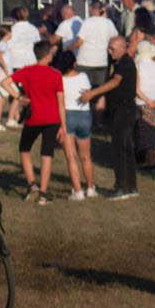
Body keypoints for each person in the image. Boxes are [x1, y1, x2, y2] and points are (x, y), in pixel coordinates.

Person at [81, 36, 140, 200]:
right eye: (108, 48)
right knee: (126, 148)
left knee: (120, 148)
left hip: (124, 109)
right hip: (119, 108)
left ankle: (121, 187)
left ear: (122, 48)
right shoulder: (115, 62)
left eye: (112, 48)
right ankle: (131, 186)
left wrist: (93, 93)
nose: (109, 51)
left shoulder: (125, 63)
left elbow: (115, 82)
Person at [11, 41, 65, 205]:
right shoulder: (56, 74)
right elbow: (61, 103)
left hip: (34, 117)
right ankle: (43, 193)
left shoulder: (27, 71)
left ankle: (32, 184)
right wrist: (64, 126)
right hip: (53, 119)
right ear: (48, 55)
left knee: (24, 148)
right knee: (46, 154)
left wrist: (19, 97)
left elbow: (5, 82)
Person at [58, 54, 95, 201]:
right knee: (86, 156)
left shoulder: (60, 80)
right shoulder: (84, 76)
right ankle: (91, 187)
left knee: (71, 156)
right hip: (84, 115)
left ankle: (78, 191)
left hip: (68, 115)